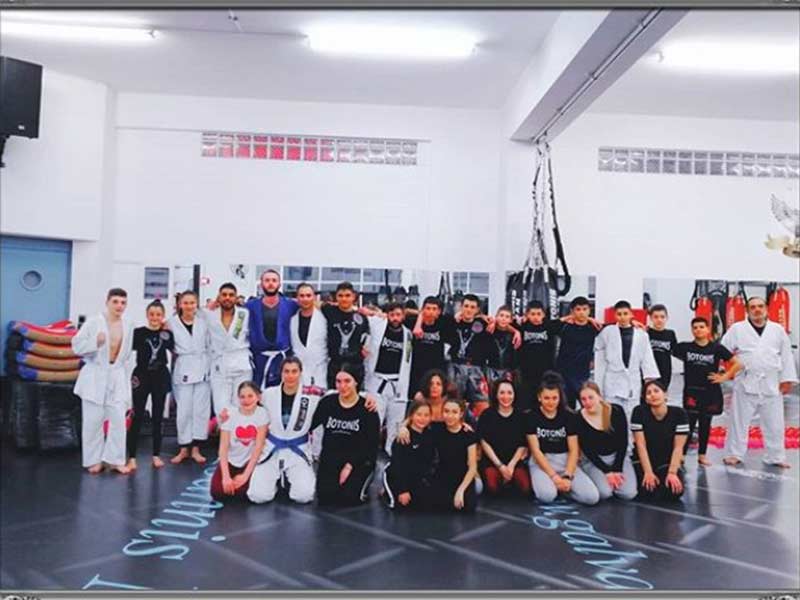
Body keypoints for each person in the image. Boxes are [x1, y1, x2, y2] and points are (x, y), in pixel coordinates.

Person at [720, 297, 798, 468]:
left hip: (771, 383)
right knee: (739, 421)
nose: (757, 310)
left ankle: (775, 456)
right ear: (747, 310)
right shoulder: (737, 329)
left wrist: (787, 380)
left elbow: (786, 355)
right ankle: (734, 454)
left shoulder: (777, 330)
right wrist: (726, 371)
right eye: (753, 307)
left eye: (760, 306)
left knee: (775, 423)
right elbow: (723, 349)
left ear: (766, 309)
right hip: (745, 381)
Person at [72, 288, 135, 475]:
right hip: (95, 373)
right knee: (93, 421)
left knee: (118, 420)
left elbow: (128, 353)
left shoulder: (128, 324)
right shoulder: (94, 322)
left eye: (123, 303)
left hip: (117, 374)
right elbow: (76, 346)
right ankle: (94, 460)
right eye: (115, 302)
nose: (119, 306)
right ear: (107, 302)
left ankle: (115, 460)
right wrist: (95, 343)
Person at [247, 357, 323, 504]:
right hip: (272, 450)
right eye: (286, 371)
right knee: (258, 496)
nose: (290, 376)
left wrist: (366, 397)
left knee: (303, 496)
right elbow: (247, 404)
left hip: (298, 451)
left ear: (300, 373)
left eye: (294, 371)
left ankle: (287, 479)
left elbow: (337, 395)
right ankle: (276, 480)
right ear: (281, 373)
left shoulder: (312, 394)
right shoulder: (268, 394)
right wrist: (228, 414)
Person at [673, 317, 741, 466]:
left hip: (710, 393)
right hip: (691, 392)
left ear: (708, 329)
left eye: (701, 327)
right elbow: (665, 345)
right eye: (695, 327)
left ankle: (702, 455)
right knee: (688, 424)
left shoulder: (716, 348)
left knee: (705, 424)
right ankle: (681, 454)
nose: (698, 330)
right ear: (692, 330)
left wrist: (724, 377)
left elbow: (737, 363)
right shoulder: (685, 347)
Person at [310, 364, 381, 506]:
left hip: (358, 460)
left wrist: (350, 466)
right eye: (338, 381)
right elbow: (308, 424)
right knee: (325, 496)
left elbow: (371, 445)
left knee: (350, 498)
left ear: (356, 382)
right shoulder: (327, 403)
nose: (342, 386)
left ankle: (367, 478)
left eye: (347, 381)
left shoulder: (367, 409)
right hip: (332, 459)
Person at [526, 372, 599, 505]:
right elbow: (536, 451)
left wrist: (567, 476)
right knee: (547, 496)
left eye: (555, 398)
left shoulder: (569, 416)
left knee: (591, 497)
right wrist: (554, 476)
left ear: (560, 398)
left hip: (565, 461)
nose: (551, 402)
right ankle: (553, 486)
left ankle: (564, 489)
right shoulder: (532, 416)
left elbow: (573, 449)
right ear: (539, 397)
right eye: (546, 398)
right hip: (542, 462)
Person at [127, 299, 174, 470]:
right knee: (137, 415)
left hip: (160, 376)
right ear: (147, 315)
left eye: (158, 315)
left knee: (157, 416)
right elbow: (125, 349)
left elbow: (174, 350)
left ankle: (156, 455)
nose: (155, 318)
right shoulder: (138, 333)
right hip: (141, 376)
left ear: (163, 316)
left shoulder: (167, 334)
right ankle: (132, 457)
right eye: (152, 314)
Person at [594, 300, 660, 422]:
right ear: (615, 315)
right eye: (619, 314)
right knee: (611, 413)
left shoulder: (642, 335)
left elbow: (647, 357)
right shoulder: (608, 332)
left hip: (632, 379)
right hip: (613, 378)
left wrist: (649, 379)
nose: (622, 317)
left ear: (631, 314)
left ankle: (631, 435)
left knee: (632, 414)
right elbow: (595, 346)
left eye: (625, 313)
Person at [168, 290, 212, 465]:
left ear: (197, 304)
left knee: (200, 410)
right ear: (180, 304)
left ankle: (196, 448)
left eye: (192, 303)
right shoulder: (171, 323)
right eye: (185, 303)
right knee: (184, 410)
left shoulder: (204, 322)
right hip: (183, 367)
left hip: (202, 367)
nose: (189, 306)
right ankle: (184, 448)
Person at [364, 302, 413, 454]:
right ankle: (369, 455)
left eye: (398, 315)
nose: (395, 318)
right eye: (392, 315)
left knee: (396, 424)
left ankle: (392, 455)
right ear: (387, 315)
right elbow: (360, 310)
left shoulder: (408, 334)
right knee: (373, 421)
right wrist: (376, 313)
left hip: (398, 384)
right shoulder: (377, 325)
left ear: (403, 316)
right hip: (377, 381)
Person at [575, 382, 637, 501]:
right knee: (605, 493)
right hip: (594, 461)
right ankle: (590, 475)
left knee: (628, 494)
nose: (587, 402)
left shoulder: (616, 411)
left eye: (591, 397)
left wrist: (617, 469)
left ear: (599, 396)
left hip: (617, 456)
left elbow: (623, 441)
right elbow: (587, 449)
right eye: (583, 399)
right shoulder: (578, 417)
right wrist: (607, 472)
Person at [210, 381, 269, 502]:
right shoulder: (229, 414)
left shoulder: (262, 414)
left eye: (250, 396)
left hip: (249, 462)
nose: (246, 400)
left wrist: (245, 475)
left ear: (258, 397)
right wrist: (226, 477)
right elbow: (223, 448)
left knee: (244, 493)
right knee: (217, 492)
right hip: (231, 460)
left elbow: (258, 447)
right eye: (242, 397)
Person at [631, 380, 689, 501]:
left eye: (656, 391)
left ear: (665, 394)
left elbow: (678, 447)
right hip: (644, 461)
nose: (653, 395)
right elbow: (640, 444)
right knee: (647, 490)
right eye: (648, 393)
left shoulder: (679, 414)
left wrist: (672, 473)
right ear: (645, 399)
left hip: (666, 462)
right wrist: (648, 472)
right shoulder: (638, 412)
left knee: (673, 491)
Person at [201, 283, 251, 418]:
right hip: (220, 364)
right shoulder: (209, 314)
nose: (227, 298)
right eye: (224, 295)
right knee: (221, 406)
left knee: (241, 404)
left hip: (241, 363)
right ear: (219, 297)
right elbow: (190, 311)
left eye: (231, 295)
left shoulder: (244, 314)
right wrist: (209, 305)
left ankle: (239, 432)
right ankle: (224, 432)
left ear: (236, 297)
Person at [245, 269, 298, 389]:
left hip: (283, 359)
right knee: (259, 392)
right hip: (259, 359)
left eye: (274, 280)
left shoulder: (291, 305)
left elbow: (309, 307)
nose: (270, 283)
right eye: (267, 280)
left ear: (279, 284)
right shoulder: (250, 306)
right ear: (261, 284)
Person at [478, 380, 531, 496]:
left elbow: (523, 444)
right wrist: (500, 466)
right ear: (496, 395)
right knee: (492, 487)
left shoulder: (521, 416)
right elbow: (484, 442)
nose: (506, 397)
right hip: (493, 462)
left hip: (514, 462)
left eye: (509, 393)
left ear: (514, 395)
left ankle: (509, 483)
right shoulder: (487, 415)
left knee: (525, 488)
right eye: (502, 393)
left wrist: (511, 466)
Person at [427, 398, 480, 512]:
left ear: (461, 414)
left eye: (454, 412)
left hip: (463, 477)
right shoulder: (437, 429)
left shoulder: (468, 434)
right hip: (443, 476)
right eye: (446, 411)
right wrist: (403, 427)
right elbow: (415, 419)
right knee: (437, 505)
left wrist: (461, 490)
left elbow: (472, 467)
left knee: (468, 506)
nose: (450, 416)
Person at [382, 400, 436, 510]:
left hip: (415, 478)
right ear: (411, 416)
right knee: (401, 506)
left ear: (431, 417)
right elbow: (398, 465)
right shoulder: (403, 437)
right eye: (419, 414)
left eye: (426, 415)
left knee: (427, 504)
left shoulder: (430, 435)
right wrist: (402, 490)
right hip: (397, 476)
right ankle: (387, 492)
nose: (422, 418)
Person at [447, 294, 495, 413]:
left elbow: (504, 322)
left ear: (477, 309)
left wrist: (492, 321)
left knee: (483, 404)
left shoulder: (483, 324)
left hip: (476, 368)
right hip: (456, 367)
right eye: (466, 306)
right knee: (453, 404)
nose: (468, 310)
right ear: (461, 307)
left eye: (472, 307)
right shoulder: (453, 322)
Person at [321, 282, 371, 390]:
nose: (344, 299)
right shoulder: (329, 311)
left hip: (355, 366)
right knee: (333, 397)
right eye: (340, 296)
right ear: (336, 297)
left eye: (347, 295)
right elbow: (310, 303)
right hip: (335, 366)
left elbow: (366, 339)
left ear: (354, 296)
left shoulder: (361, 317)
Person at [554, 296, 602, 409]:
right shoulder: (565, 327)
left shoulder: (593, 328)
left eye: (585, 309)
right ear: (572, 311)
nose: (581, 312)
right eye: (578, 309)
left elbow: (616, 325)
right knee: (566, 407)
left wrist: (633, 322)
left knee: (587, 406)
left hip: (582, 373)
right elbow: (549, 326)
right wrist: (568, 317)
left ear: (589, 310)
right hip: (564, 373)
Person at [517, 300, 561, 412]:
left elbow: (568, 319)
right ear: (527, 315)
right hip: (526, 372)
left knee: (542, 400)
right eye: (532, 314)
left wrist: (590, 319)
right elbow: (503, 322)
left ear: (544, 315)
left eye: (538, 314)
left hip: (545, 372)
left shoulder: (549, 326)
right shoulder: (522, 327)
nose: (536, 317)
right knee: (526, 401)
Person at [407, 297, 456, 399]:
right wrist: (420, 318)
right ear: (423, 309)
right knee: (418, 399)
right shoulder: (412, 322)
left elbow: (462, 316)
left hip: (436, 370)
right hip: (416, 371)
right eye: (428, 308)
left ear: (439, 311)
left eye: (434, 309)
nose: (430, 312)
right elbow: (403, 311)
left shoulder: (444, 323)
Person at [289, 283, 328, 388]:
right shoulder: (292, 320)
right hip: (299, 372)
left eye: (308, 295)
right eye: (301, 296)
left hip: (320, 370)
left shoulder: (324, 319)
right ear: (297, 298)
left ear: (314, 297)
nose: (305, 299)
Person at [646, 304, 678, 391]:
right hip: (649, 372)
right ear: (651, 318)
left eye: (662, 317)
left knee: (662, 394)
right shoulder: (646, 333)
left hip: (665, 371)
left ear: (667, 318)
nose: (659, 320)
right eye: (656, 317)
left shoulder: (670, 334)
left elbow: (675, 351)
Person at [486, 305, 519, 385]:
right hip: (491, 369)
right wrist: (493, 322)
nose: (503, 319)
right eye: (501, 315)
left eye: (507, 317)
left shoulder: (513, 334)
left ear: (511, 320)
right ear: (496, 317)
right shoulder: (490, 330)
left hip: (507, 370)